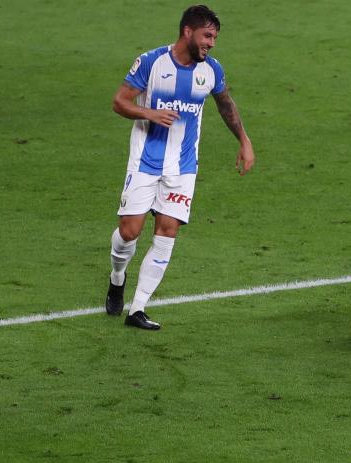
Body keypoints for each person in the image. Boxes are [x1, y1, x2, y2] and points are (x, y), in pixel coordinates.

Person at [104, 4, 255, 330]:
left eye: (214, 38)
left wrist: (244, 140)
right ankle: (117, 277)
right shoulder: (151, 62)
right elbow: (119, 101)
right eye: (207, 36)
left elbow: (226, 105)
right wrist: (150, 114)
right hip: (145, 161)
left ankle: (137, 309)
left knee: (167, 231)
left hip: (183, 167)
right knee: (129, 232)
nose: (211, 43)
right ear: (188, 32)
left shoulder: (211, 70)